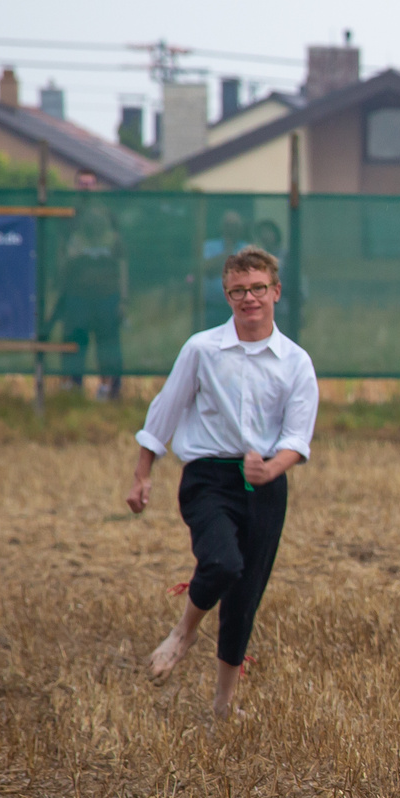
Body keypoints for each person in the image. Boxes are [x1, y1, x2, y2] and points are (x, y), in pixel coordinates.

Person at [126, 245, 318, 721]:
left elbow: (297, 436)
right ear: (227, 295)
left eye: (257, 289)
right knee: (222, 563)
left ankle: (222, 706)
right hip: (208, 477)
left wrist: (271, 470)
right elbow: (165, 410)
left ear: (275, 291)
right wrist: (142, 474)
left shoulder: (295, 361)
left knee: (245, 594)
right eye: (238, 291)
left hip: (266, 483)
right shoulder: (202, 349)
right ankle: (184, 631)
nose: (248, 299)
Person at [53, 200, 127, 400]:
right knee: (75, 343)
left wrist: (123, 299)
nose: (94, 222)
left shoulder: (113, 239)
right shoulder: (75, 239)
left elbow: (122, 268)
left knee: (107, 346)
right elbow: (64, 267)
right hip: (78, 299)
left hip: (107, 300)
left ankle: (108, 388)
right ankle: (72, 388)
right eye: (90, 219)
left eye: (98, 218)